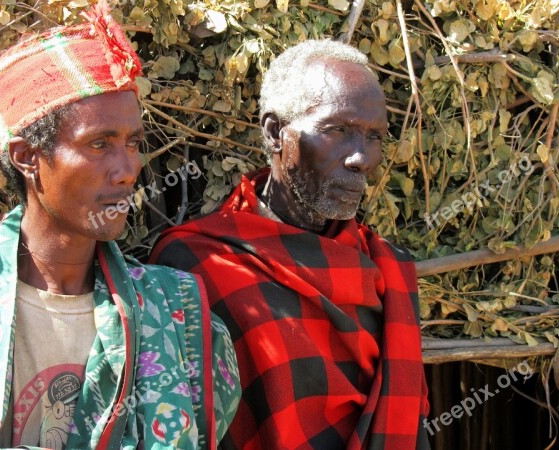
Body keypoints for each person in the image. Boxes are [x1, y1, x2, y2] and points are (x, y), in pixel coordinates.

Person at [0, 4, 240, 448]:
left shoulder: (174, 311)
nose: (128, 170)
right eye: (99, 144)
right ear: (26, 157)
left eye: (134, 143)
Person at [150, 39, 429, 449]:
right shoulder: (200, 263)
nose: (362, 159)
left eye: (374, 137)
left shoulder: (388, 266)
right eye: (338, 131)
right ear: (275, 132)